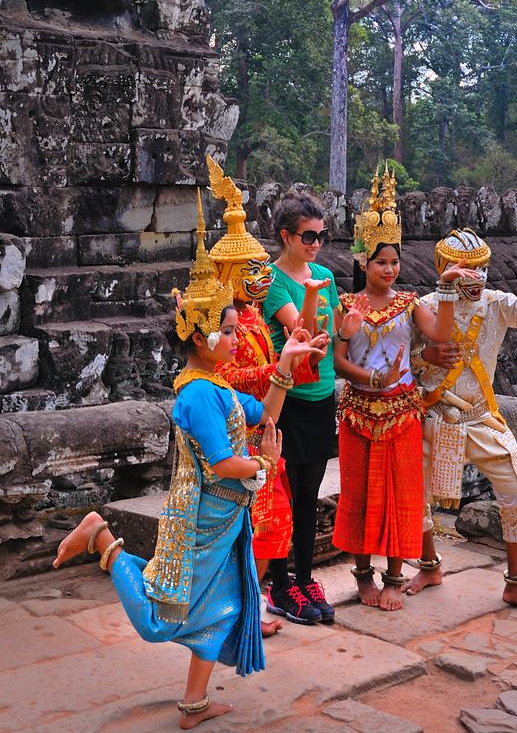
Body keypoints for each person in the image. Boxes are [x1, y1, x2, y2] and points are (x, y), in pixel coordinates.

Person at [52, 191, 325, 729]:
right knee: (160, 621)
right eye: (225, 331)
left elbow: (262, 412)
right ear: (199, 337)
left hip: (226, 519)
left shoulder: (218, 385)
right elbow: (225, 464)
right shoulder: (198, 394)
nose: (234, 337)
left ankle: (195, 702)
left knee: (219, 611)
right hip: (200, 517)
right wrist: (265, 464)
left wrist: (286, 367)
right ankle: (103, 539)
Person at [407, 220, 517, 614]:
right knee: (417, 495)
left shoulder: (496, 304)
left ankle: (516, 583)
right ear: (444, 268)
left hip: (482, 418)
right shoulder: (422, 308)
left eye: (481, 269)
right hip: (436, 418)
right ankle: (429, 565)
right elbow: (400, 363)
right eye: (466, 269)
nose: (475, 279)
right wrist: (426, 357)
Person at [332, 166, 479, 611]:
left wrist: (447, 290)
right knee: (357, 494)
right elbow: (339, 363)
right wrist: (370, 376)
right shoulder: (346, 305)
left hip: (401, 412)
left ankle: (394, 576)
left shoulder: (410, 303)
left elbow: (441, 338)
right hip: (358, 410)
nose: (390, 270)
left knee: (402, 495)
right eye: (381, 262)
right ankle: (363, 575)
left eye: (395, 262)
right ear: (363, 262)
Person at [205, 156, 329, 631]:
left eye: (260, 267)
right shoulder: (222, 324)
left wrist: (292, 362)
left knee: (272, 521)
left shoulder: (252, 319)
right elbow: (228, 380)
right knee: (244, 526)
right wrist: (280, 366)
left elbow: (290, 369)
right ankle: (241, 604)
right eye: (251, 269)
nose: (260, 276)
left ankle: (252, 602)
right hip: (231, 438)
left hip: (262, 430)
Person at [262, 188, 360, 624]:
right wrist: (316, 303)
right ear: (286, 236)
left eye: (321, 235)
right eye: (308, 236)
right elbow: (298, 333)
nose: (316, 244)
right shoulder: (274, 281)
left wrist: (348, 330)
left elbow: (335, 335)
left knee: (307, 497)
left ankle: (305, 578)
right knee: (281, 497)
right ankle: (280, 584)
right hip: (289, 402)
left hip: (321, 398)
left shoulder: (324, 275)